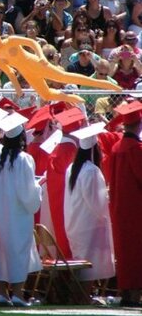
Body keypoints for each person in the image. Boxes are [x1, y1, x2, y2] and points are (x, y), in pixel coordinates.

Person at [0, 26, 119, 104]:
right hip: (27, 73)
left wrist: (41, 56)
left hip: (37, 63)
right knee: (46, 95)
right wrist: (17, 87)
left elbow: (32, 43)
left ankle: (105, 84)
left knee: (64, 77)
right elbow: (10, 72)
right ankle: (69, 98)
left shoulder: (11, 40)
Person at [0, 125, 42, 306]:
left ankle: (3, 293)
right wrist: (39, 187)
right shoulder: (24, 160)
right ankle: (18, 294)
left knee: (1, 251)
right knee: (19, 251)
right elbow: (28, 193)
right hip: (18, 214)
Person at [64, 124, 115, 297]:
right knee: (90, 263)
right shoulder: (92, 171)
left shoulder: (72, 168)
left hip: (75, 222)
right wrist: (108, 198)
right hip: (90, 224)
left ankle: (80, 296)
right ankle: (84, 296)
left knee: (81, 260)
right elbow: (97, 204)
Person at [109, 101, 142, 307]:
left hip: (119, 207)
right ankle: (135, 295)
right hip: (136, 208)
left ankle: (127, 293)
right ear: (139, 125)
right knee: (137, 251)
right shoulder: (136, 149)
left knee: (124, 251)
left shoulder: (115, 147)